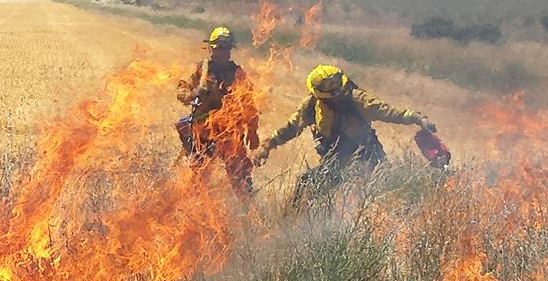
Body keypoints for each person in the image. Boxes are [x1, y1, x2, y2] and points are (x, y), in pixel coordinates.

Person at [251, 64, 436, 203]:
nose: (339, 96)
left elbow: (388, 111)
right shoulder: (311, 107)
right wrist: (268, 145)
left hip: (369, 162)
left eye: (340, 91)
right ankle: (296, 226)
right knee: (307, 185)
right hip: (334, 164)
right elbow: (291, 128)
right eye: (334, 94)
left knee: (387, 197)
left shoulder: (357, 99)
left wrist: (417, 118)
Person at [174, 25, 257, 191]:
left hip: (230, 134)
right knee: (199, 179)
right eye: (218, 49)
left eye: (226, 49)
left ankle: (247, 210)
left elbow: (250, 105)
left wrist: (253, 132)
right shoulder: (200, 70)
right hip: (203, 133)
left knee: (240, 177)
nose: (222, 53)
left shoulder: (238, 73)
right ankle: (198, 209)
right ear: (211, 49)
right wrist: (194, 93)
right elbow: (181, 90)